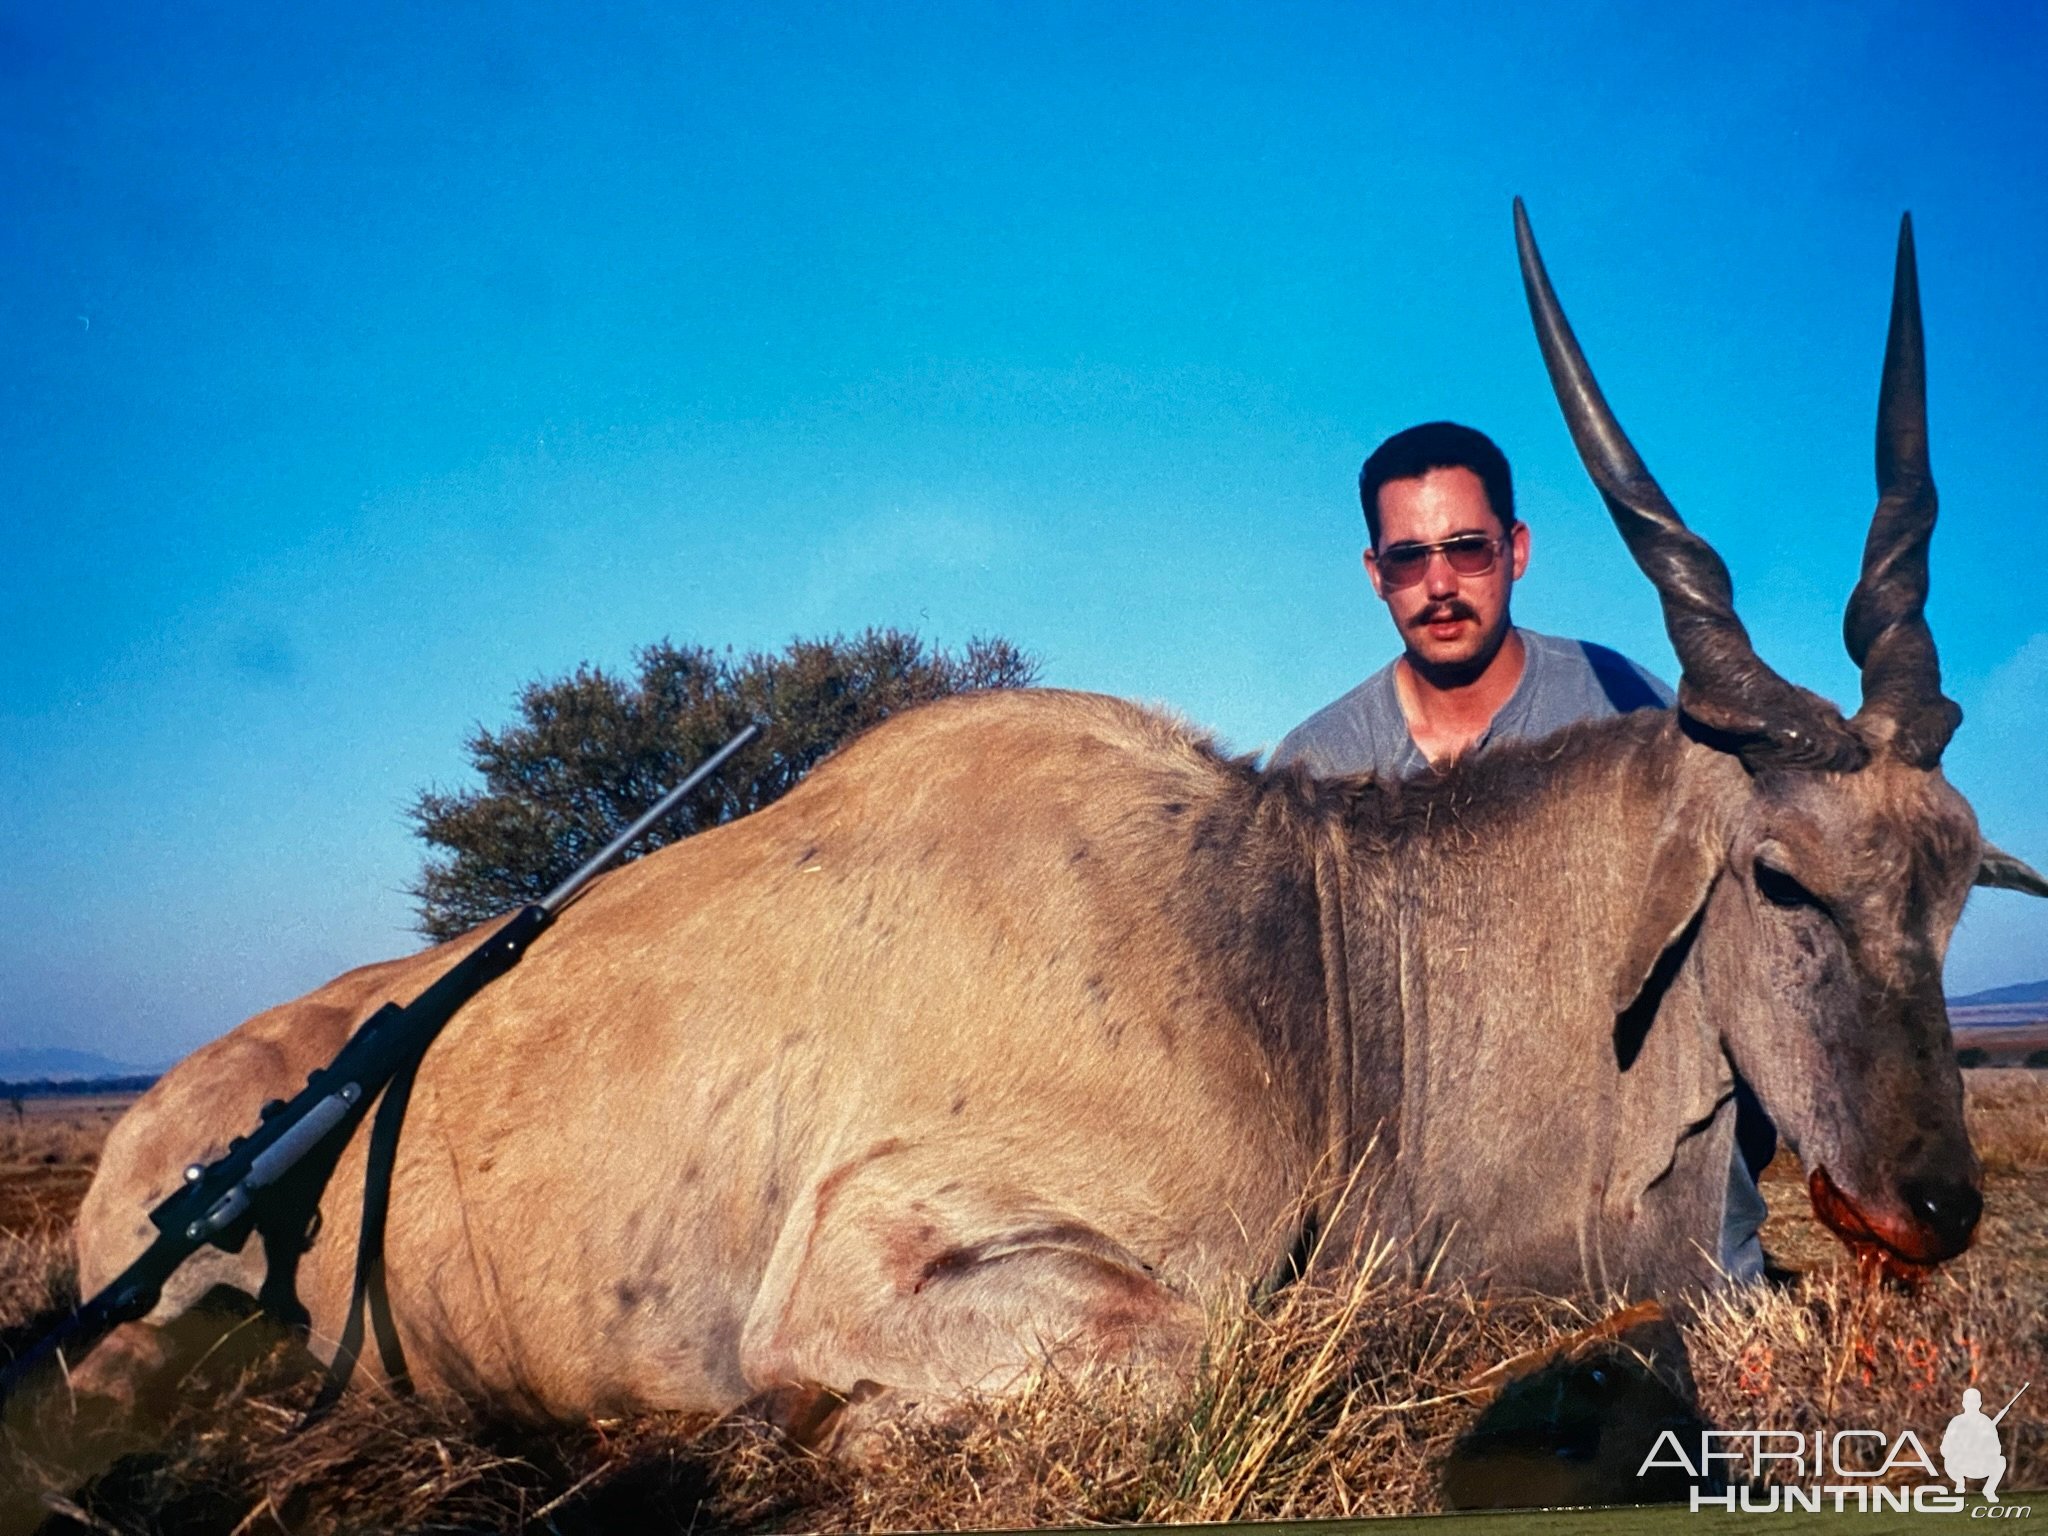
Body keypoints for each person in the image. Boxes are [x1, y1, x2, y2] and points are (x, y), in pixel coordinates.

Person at [1272, 420, 1770, 1283]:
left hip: (1606, 1109)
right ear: (1374, 576)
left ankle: (1721, 1305)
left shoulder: (1627, 714)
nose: (1438, 585)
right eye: (1407, 559)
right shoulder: (1317, 766)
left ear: (1517, 549)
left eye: (1468, 549)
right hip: (1405, 1136)